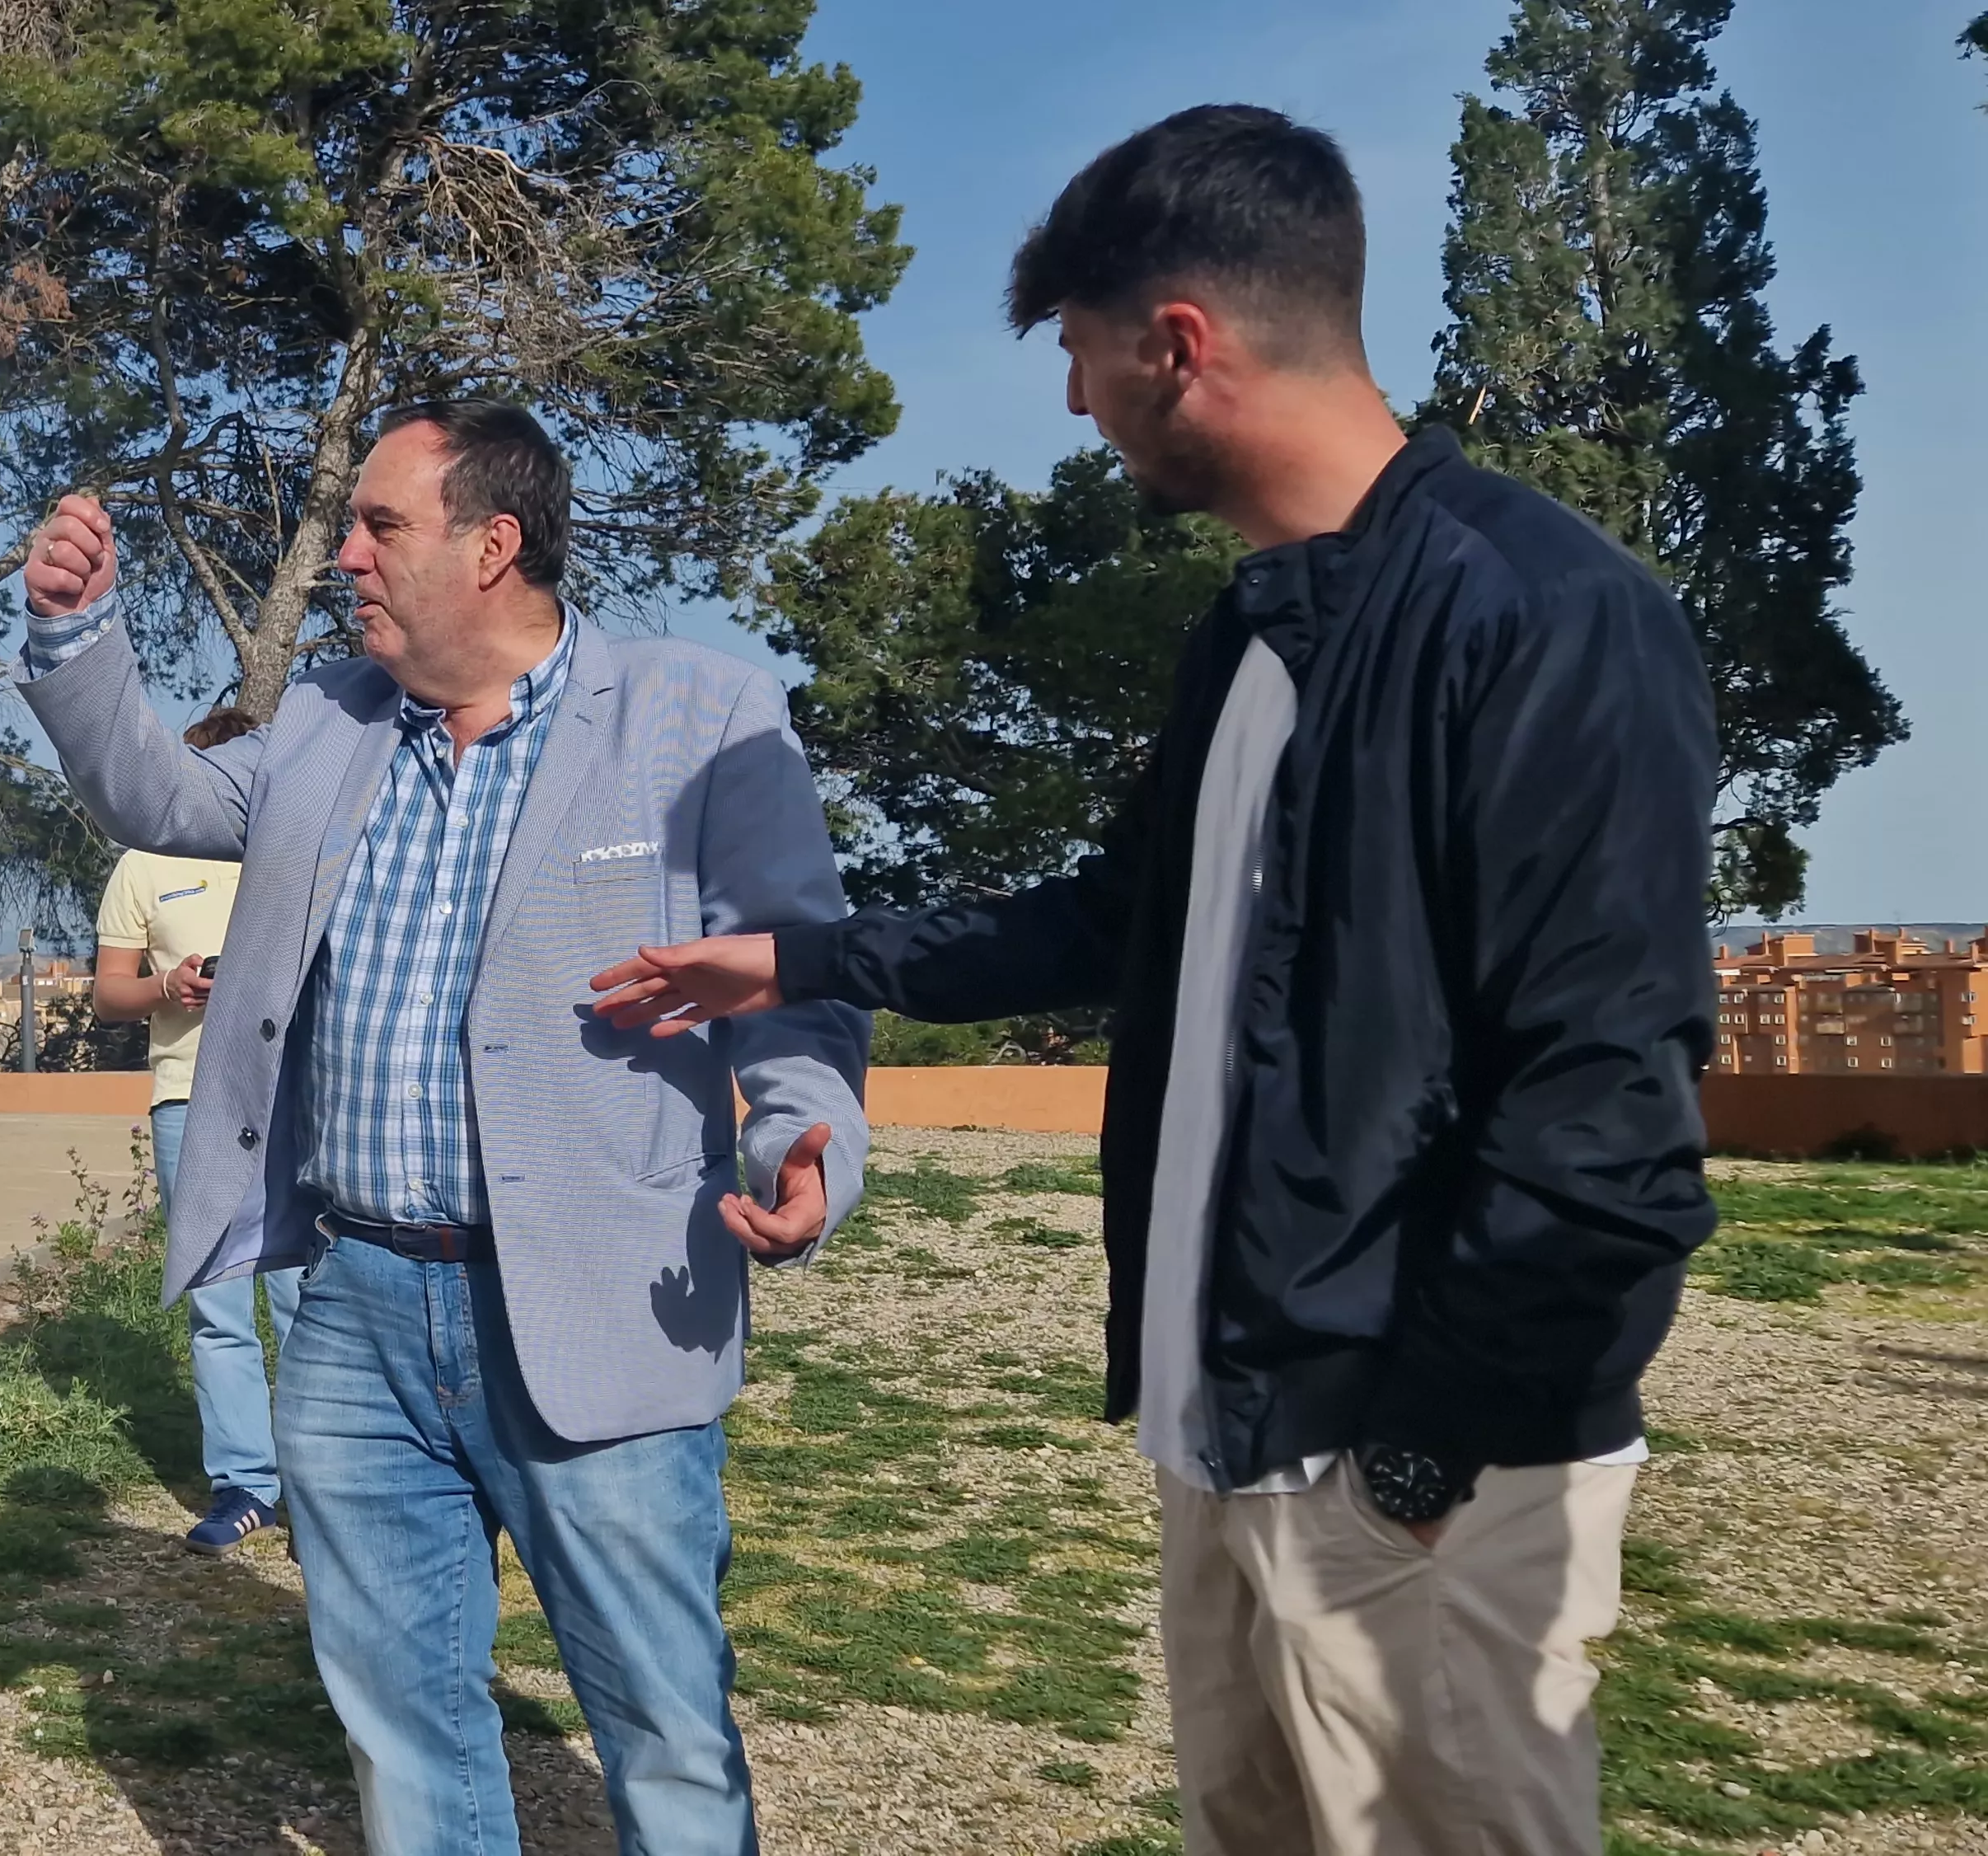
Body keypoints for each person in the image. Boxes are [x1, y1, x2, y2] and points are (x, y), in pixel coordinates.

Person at [593, 107, 1718, 1856]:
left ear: (1175, 344)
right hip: (1229, 1438)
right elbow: (1111, 918)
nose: (1071, 403)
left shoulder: (1545, 615)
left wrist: (1419, 1455)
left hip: (1415, 1479)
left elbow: (1602, 1116)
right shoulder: (1253, 629)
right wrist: (796, 957)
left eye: (1078, 355)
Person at [16, 402, 870, 1855]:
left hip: (599, 1297)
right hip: (356, 1305)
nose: (347, 553)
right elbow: (153, 791)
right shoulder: (327, 723)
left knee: (661, 1721)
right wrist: (77, 633)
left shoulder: (700, 714)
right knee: (403, 1718)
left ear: (494, 543)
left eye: (379, 525)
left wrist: (805, 1134)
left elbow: (795, 971)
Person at [88, 707, 304, 1556]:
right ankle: (245, 1483)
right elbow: (110, 994)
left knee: (303, 1298)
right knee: (217, 1301)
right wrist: (169, 986)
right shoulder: (144, 864)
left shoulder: (294, 852)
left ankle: (316, 1482)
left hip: (296, 1097)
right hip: (188, 1098)